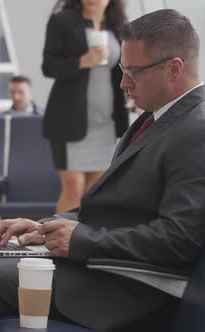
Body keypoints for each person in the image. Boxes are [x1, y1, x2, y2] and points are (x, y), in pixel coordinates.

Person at [0, 9, 205, 331]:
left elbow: (179, 240)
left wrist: (83, 240)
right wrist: (45, 226)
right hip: (98, 268)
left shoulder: (202, 134)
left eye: (133, 72)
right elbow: (109, 209)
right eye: (122, 69)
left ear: (174, 69)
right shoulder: (156, 121)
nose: (123, 83)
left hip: (124, 289)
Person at [42, 0, 130, 214]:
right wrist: (83, 61)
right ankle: (54, 242)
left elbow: (125, 69)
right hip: (69, 120)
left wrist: (132, 96)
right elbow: (49, 66)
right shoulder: (61, 21)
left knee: (94, 191)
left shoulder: (119, 25)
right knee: (73, 186)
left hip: (105, 122)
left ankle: (78, 242)